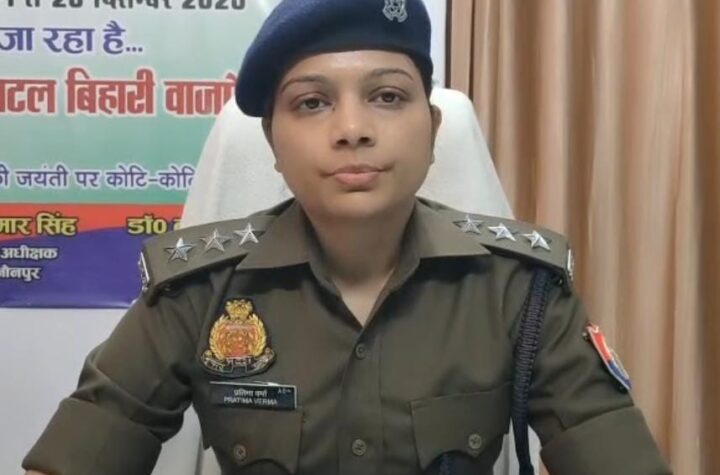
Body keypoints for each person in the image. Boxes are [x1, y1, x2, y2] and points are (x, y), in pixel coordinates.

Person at [23, 0, 672, 474]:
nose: (353, 128)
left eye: (387, 96)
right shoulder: (196, 291)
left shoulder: (522, 290)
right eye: (312, 103)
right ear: (273, 143)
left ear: (433, 129)